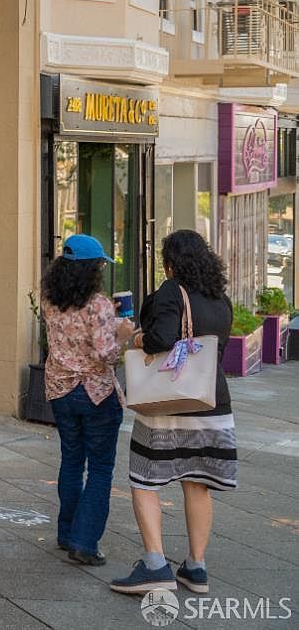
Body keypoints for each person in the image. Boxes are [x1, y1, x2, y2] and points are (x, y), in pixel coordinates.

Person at [111, 229, 236, 597]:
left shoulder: (172, 290)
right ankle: (196, 567)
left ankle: (155, 566)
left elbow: (161, 339)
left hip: (168, 406)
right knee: (197, 483)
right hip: (211, 404)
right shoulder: (219, 298)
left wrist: (137, 339)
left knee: (144, 480)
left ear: (171, 264)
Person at [41, 235, 135, 566]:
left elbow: (70, 334)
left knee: (71, 461)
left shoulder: (49, 300)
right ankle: (84, 543)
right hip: (96, 394)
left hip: (60, 390)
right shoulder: (99, 305)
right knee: (99, 467)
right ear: (91, 269)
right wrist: (123, 336)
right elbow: (106, 354)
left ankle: (67, 533)